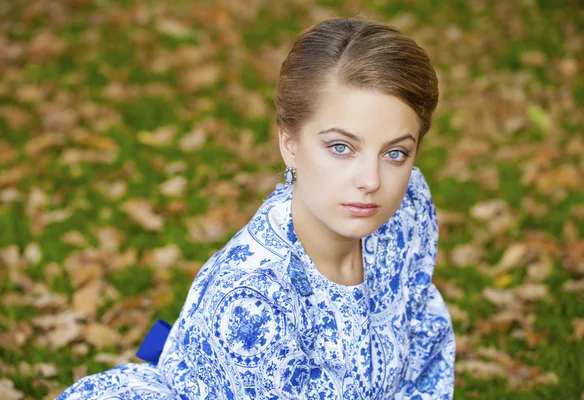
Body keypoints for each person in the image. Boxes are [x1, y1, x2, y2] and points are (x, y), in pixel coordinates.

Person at [57, 16, 455, 399]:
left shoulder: (406, 209)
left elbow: (420, 348)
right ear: (290, 144)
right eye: (340, 147)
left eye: (396, 152)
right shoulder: (254, 298)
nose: (371, 180)